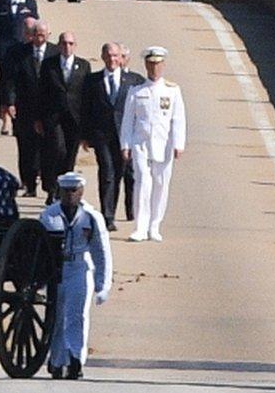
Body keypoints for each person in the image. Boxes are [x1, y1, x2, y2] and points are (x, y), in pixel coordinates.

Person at [39, 172, 112, 380]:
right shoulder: (49, 215)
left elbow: (101, 251)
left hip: (79, 267)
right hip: (55, 269)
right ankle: (57, 361)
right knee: (55, 316)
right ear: (59, 191)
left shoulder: (91, 217)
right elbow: (38, 248)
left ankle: (75, 359)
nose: (70, 195)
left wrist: (103, 284)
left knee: (77, 315)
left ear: (81, 192)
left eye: (74, 191)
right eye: (66, 191)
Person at [121, 46, 186, 242]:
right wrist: (126, 144)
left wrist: (178, 143)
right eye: (151, 64)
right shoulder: (136, 91)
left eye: (158, 64)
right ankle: (140, 227)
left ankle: (154, 225)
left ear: (163, 65)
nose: (154, 68)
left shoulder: (172, 91)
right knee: (142, 182)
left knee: (161, 183)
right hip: (141, 143)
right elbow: (127, 120)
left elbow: (178, 119)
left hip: (164, 143)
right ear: (146, 65)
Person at [82, 42, 143, 231]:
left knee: (122, 174)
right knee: (107, 174)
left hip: (125, 137)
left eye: (116, 56)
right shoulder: (92, 80)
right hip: (102, 136)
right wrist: (85, 136)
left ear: (121, 58)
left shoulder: (133, 81)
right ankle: (107, 216)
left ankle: (128, 208)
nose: (112, 60)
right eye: (109, 56)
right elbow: (85, 109)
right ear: (103, 57)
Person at [0, 19, 58, 195]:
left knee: (47, 148)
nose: (39, 39)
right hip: (24, 107)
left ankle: (49, 184)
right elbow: (10, 81)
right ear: (31, 35)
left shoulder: (55, 53)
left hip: (47, 109)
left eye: (43, 35)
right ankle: (29, 184)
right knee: (26, 147)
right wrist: (9, 103)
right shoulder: (18, 53)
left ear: (48, 35)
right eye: (36, 35)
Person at [38, 32, 91, 201]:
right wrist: (38, 118)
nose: (67, 47)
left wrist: (87, 124)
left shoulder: (83, 65)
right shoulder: (49, 64)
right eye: (64, 43)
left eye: (70, 43)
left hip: (75, 118)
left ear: (75, 46)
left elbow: (87, 95)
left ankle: (64, 191)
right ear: (59, 45)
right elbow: (41, 92)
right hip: (54, 117)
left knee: (69, 156)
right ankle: (52, 188)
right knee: (57, 150)